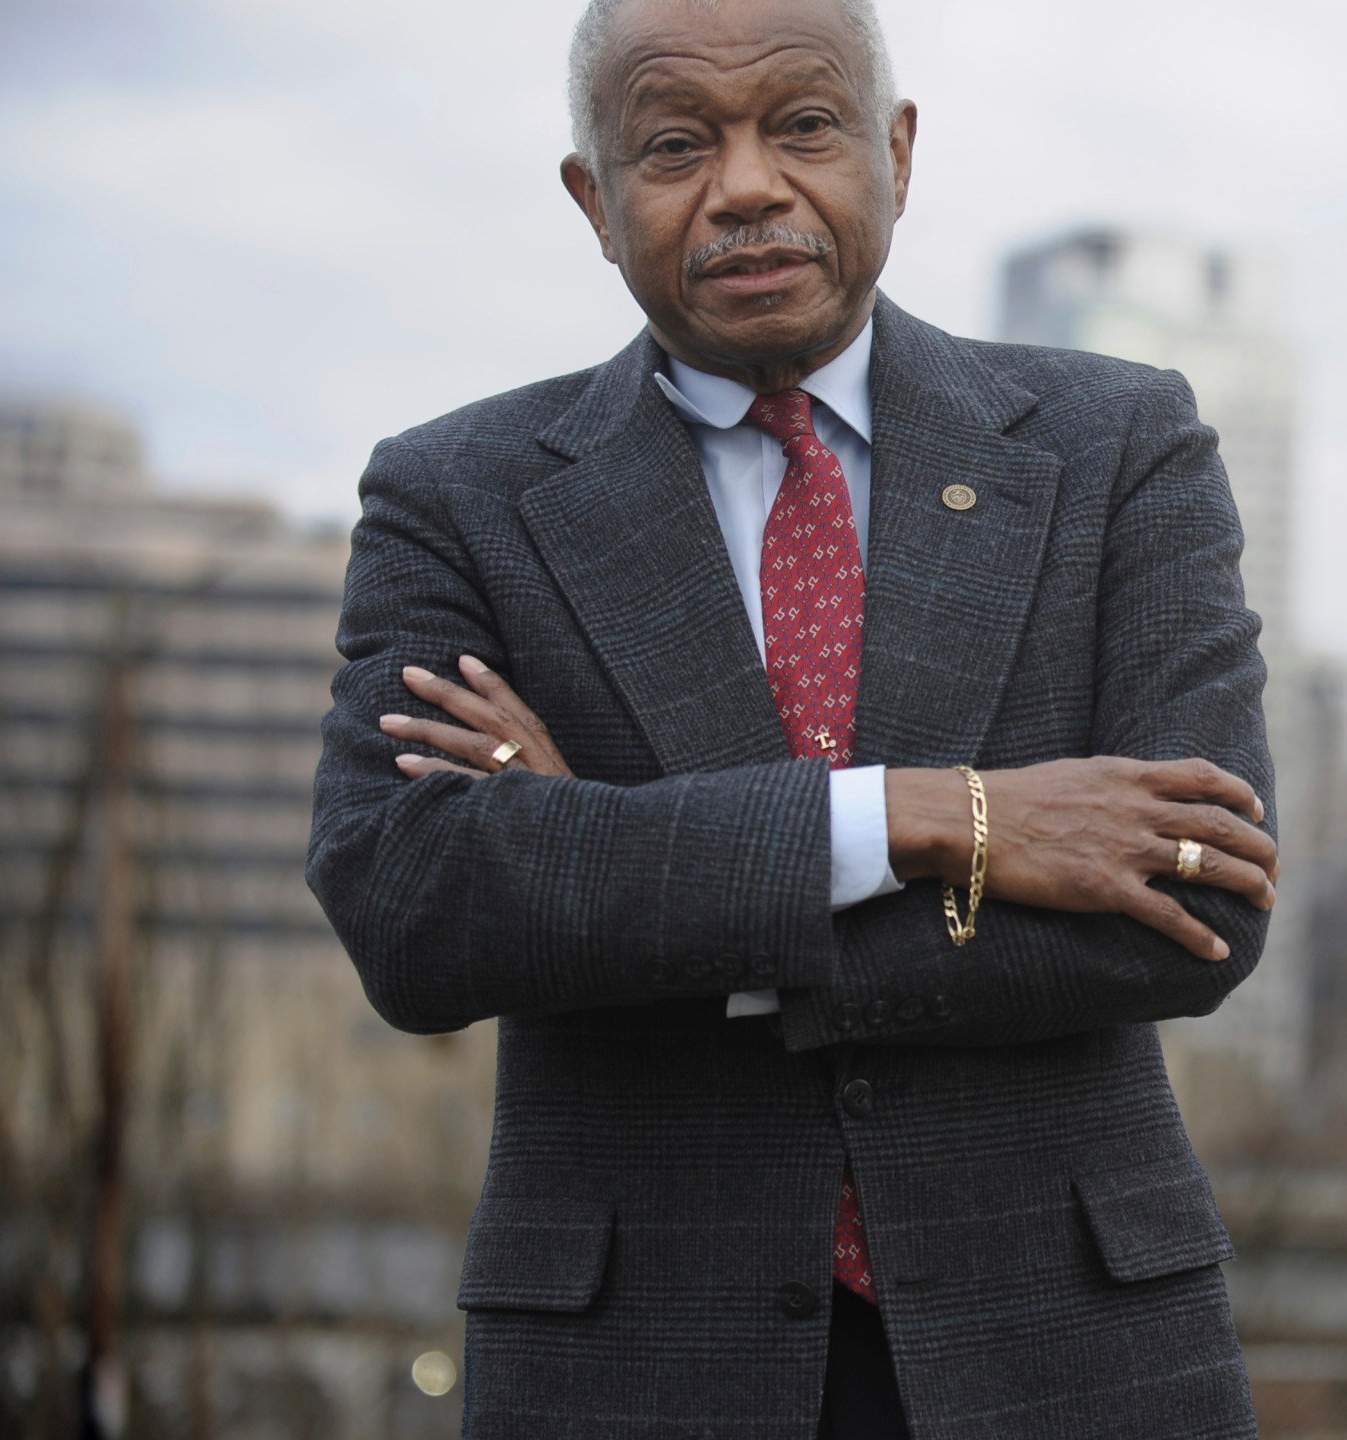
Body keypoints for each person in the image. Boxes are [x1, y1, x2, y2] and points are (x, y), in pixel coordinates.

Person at [306, 0, 1276, 1434]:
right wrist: (937, 820)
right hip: (629, 1364)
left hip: (1070, 1355)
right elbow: (414, 909)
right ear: (595, 197)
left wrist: (609, 853)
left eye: (803, 126)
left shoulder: (1117, 448)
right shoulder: (460, 495)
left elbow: (1201, 902)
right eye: (676, 142)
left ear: (895, 150)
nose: (747, 185)